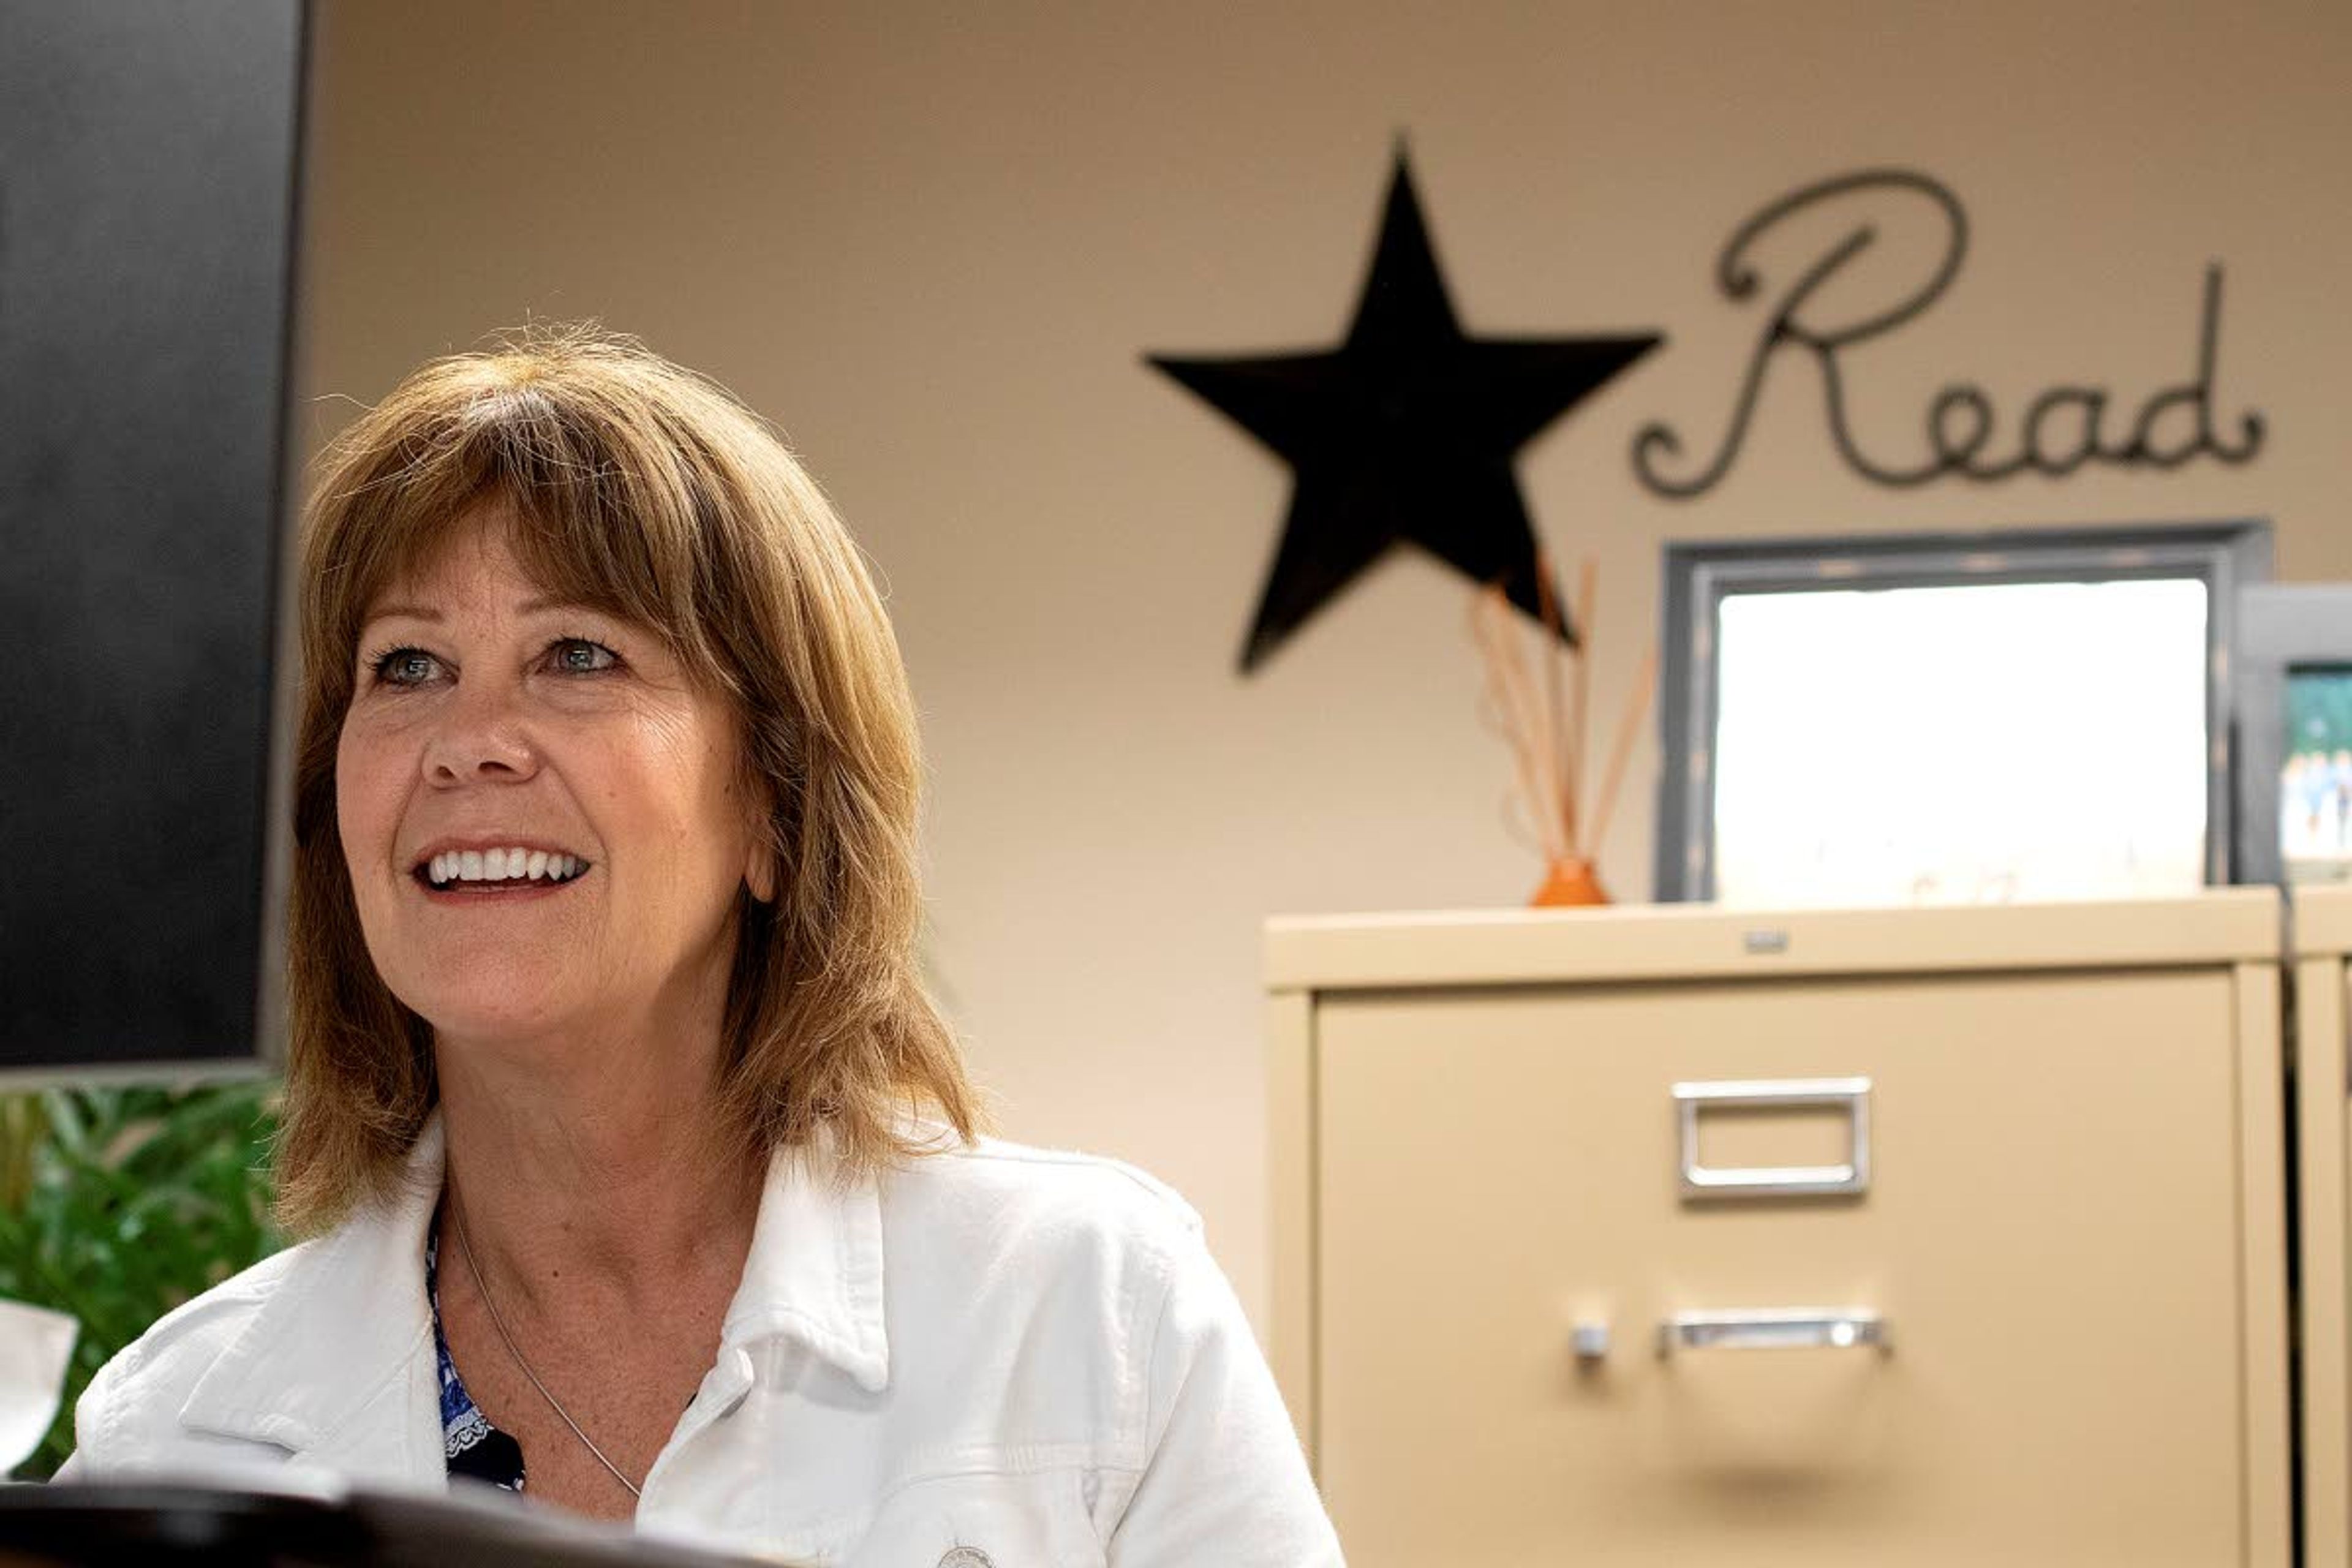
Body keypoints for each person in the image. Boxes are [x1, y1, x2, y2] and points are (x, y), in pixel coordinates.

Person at [59, 328, 1344, 1566]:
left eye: (576, 653)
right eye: (406, 665)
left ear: (776, 813)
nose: (469, 738)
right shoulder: (178, 1431)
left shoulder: (1091, 1314)